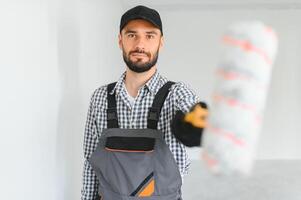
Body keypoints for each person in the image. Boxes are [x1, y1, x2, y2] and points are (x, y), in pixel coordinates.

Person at [81, 5, 208, 200]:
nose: (140, 44)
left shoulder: (177, 94)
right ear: (120, 40)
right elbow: (90, 164)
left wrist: (198, 126)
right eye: (132, 35)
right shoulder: (100, 98)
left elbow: (195, 113)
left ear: (161, 42)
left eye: (150, 36)